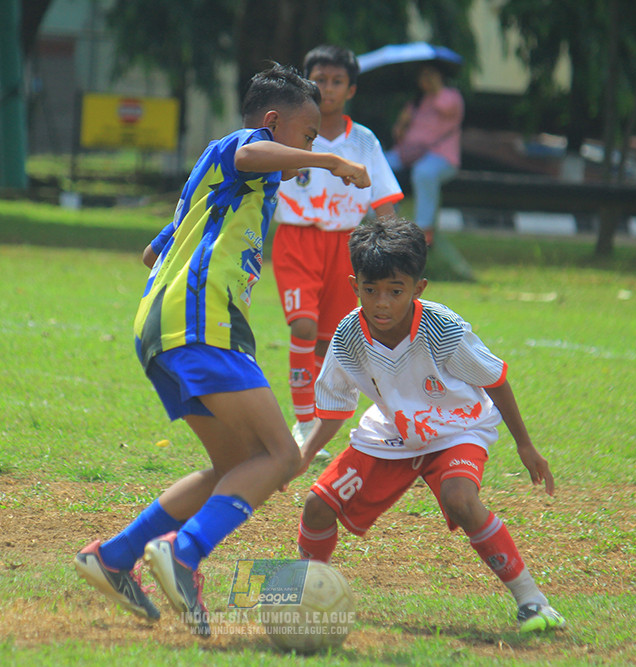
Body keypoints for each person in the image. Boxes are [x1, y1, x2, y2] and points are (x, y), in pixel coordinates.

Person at [74, 63, 371, 637]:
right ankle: (183, 553)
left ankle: (114, 556)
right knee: (283, 456)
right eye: (307, 134)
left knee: (238, 467)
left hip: (163, 326)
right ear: (269, 122)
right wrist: (328, 160)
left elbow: (150, 252)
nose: (312, 144)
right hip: (201, 322)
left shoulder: (210, 190)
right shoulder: (241, 150)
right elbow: (251, 156)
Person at [292, 216, 566, 633]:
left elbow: (495, 380)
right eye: (370, 290)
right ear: (354, 286)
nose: (381, 302)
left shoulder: (442, 328)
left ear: (418, 289)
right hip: (391, 433)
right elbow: (334, 407)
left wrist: (524, 445)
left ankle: (533, 602)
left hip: (458, 428)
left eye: (395, 291)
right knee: (316, 507)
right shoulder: (348, 335)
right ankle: (299, 598)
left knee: (460, 498)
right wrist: (305, 454)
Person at [272, 45, 404, 456]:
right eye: (320, 81)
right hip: (297, 240)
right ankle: (304, 421)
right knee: (304, 328)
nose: (327, 89)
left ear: (351, 89)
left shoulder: (363, 141)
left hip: (345, 246)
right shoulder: (288, 133)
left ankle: (323, 420)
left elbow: (384, 204)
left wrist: (397, 253)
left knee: (330, 342)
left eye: (336, 82)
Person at [384, 61, 473, 280]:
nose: (425, 80)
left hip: (441, 156)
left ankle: (425, 230)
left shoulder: (450, 96)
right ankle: (380, 210)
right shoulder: (417, 102)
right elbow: (400, 133)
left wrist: (435, 87)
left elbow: (446, 108)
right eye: (423, 76)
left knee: (424, 174)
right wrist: (402, 125)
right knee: (381, 164)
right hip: (409, 154)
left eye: (430, 75)